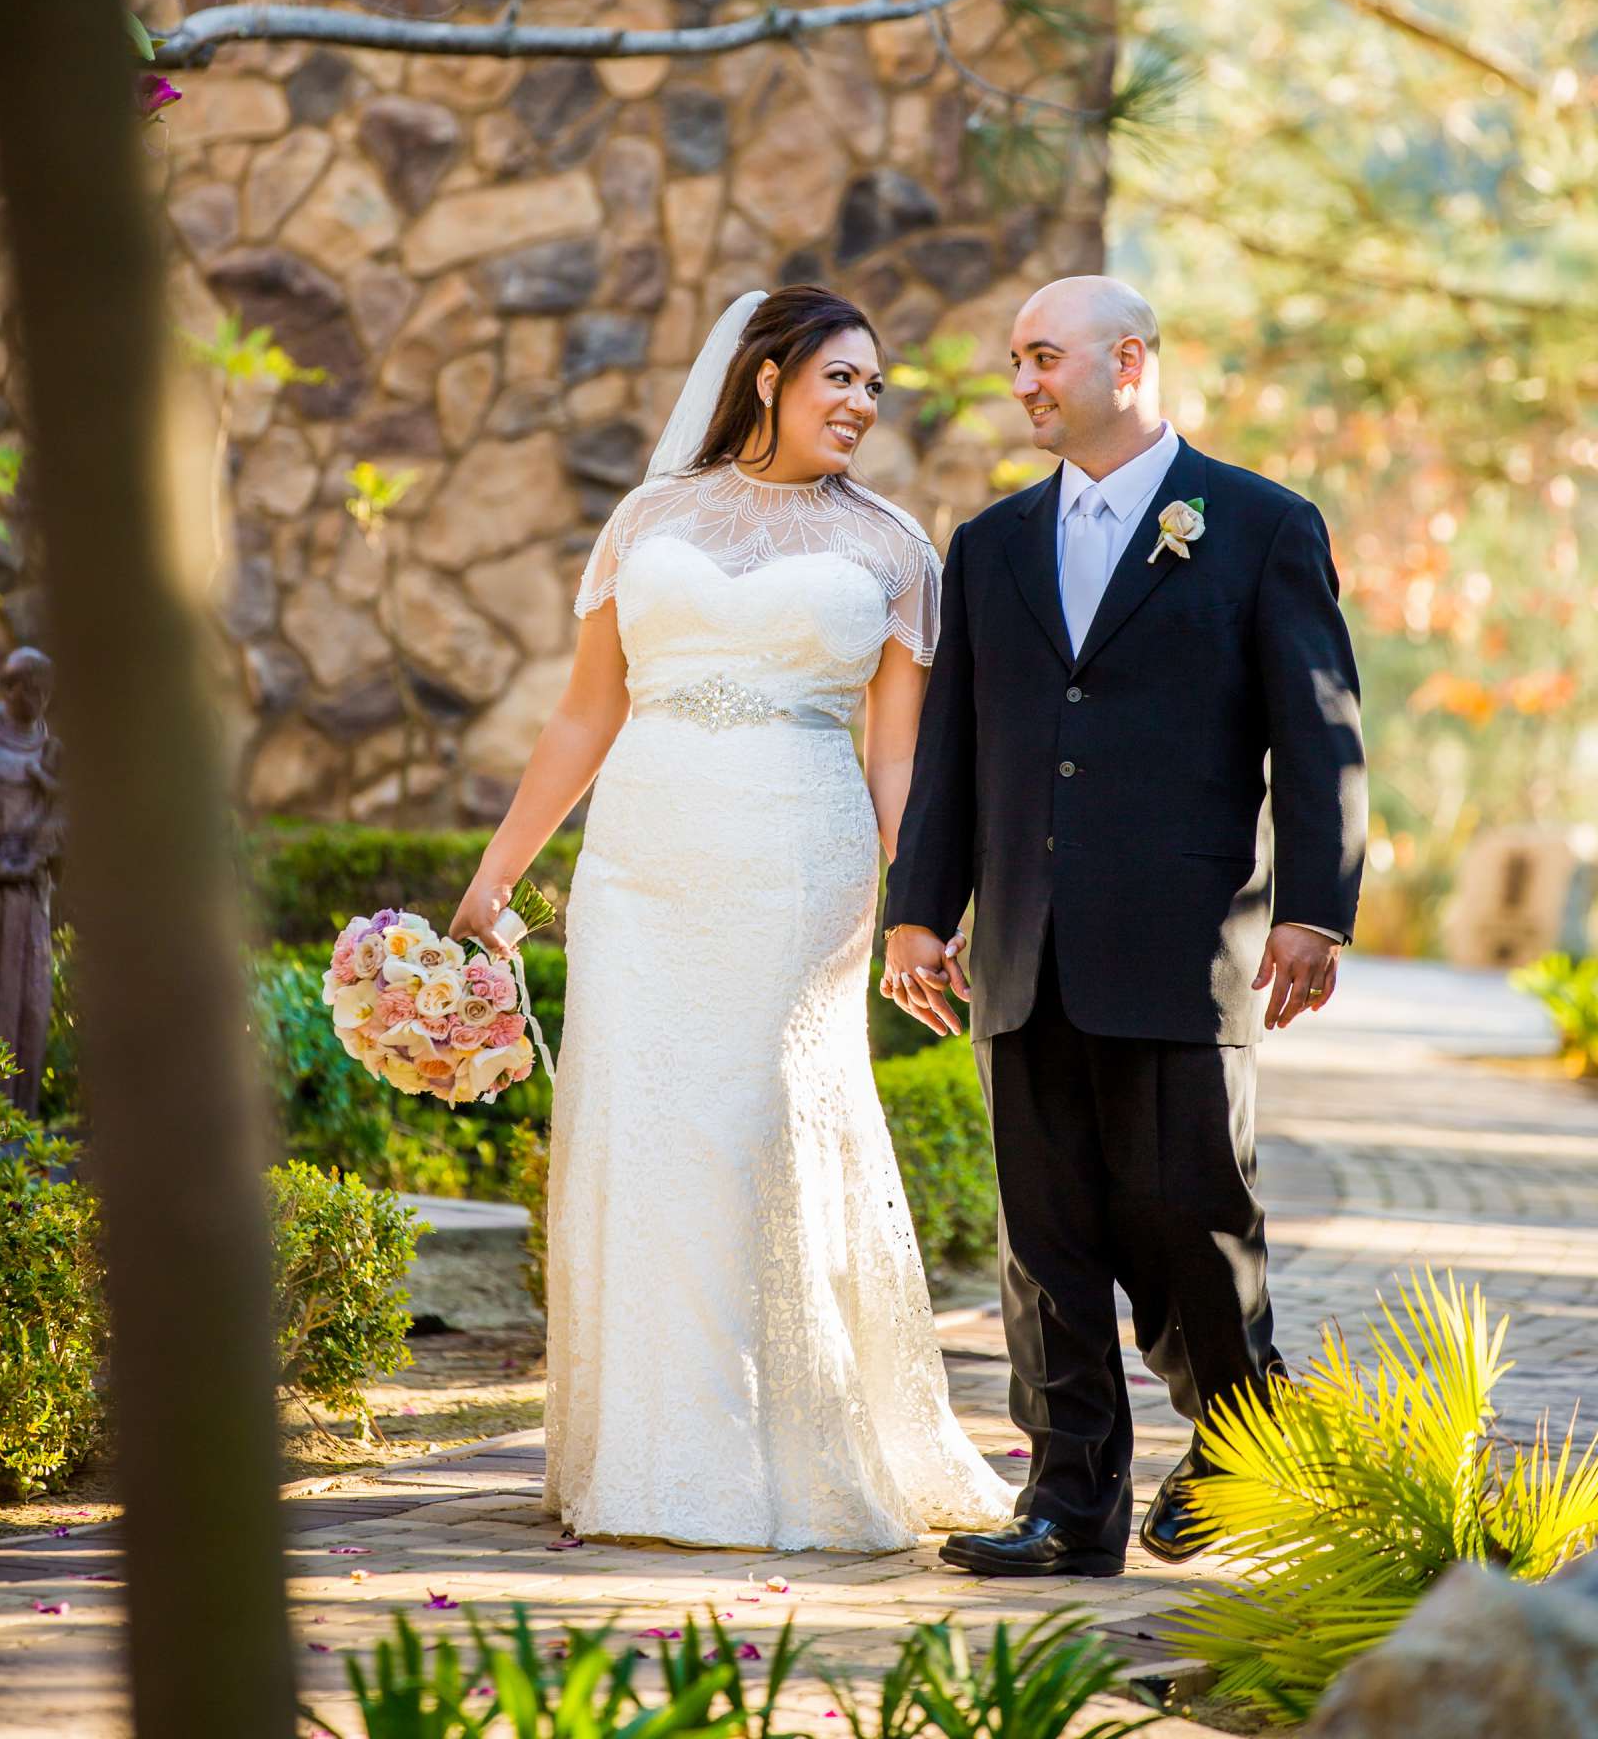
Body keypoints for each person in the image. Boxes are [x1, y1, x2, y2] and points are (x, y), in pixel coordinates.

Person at [452, 285, 1011, 1552]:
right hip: (640, 863)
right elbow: (587, 715)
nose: (864, 405)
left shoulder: (892, 549)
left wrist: (920, 908)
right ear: (768, 376)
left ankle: (794, 1453)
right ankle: (646, 1460)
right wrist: (499, 878)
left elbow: (897, 764)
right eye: (842, 379)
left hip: (795, 863)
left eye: (876, 387)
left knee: (755, 1125)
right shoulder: (651, 516)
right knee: (643, 1134)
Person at [883, 275, 1367, 1579]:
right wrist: (919, 914)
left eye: (1045, 358)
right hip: (1025, 951)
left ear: (1129, 360)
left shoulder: (1261, 526)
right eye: (1019, 362)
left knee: (1191, 1219)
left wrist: (1318, 909)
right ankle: (1067, 1503)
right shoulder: (987, 545)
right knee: (1045, 1243)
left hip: (1184, 941)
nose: (1025, 381)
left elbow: (1317, 736)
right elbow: (954, 753)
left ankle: (1244, 1441)